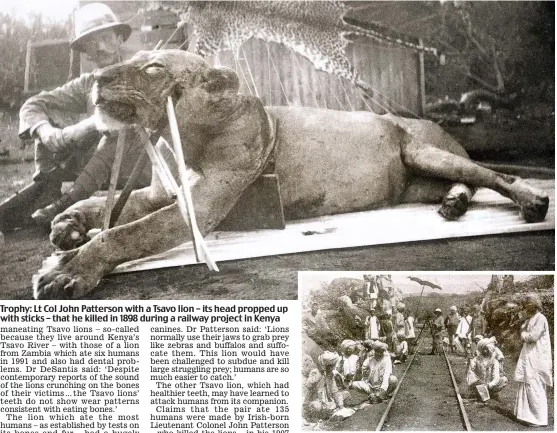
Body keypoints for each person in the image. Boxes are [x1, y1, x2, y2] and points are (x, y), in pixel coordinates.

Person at [18, 3, 150, 227]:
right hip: (99, 173)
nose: (99, 47)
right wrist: (45, 130)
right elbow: (34, 104)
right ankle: (47, 194)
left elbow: (128, 114)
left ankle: (67, 203)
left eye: (106, 38)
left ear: (119, 39)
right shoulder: (88, 83)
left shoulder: (141, 73)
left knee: (120, 130)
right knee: (44, 123)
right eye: (91, 42)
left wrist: (86, 126)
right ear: (85, 52)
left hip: (140, 170)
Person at [514, 293, 552, 427]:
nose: (525, 309)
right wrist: (523, 329)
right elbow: (524, 331)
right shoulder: (531, 319)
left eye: (527, 307)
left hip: (537, 357)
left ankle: (539, 419)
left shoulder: (540, 319)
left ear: (533, 306)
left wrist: (523, 333)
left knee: (535, 385)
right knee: (528, 383)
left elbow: (533, 337)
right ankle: (527, 416)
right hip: (530, 356)